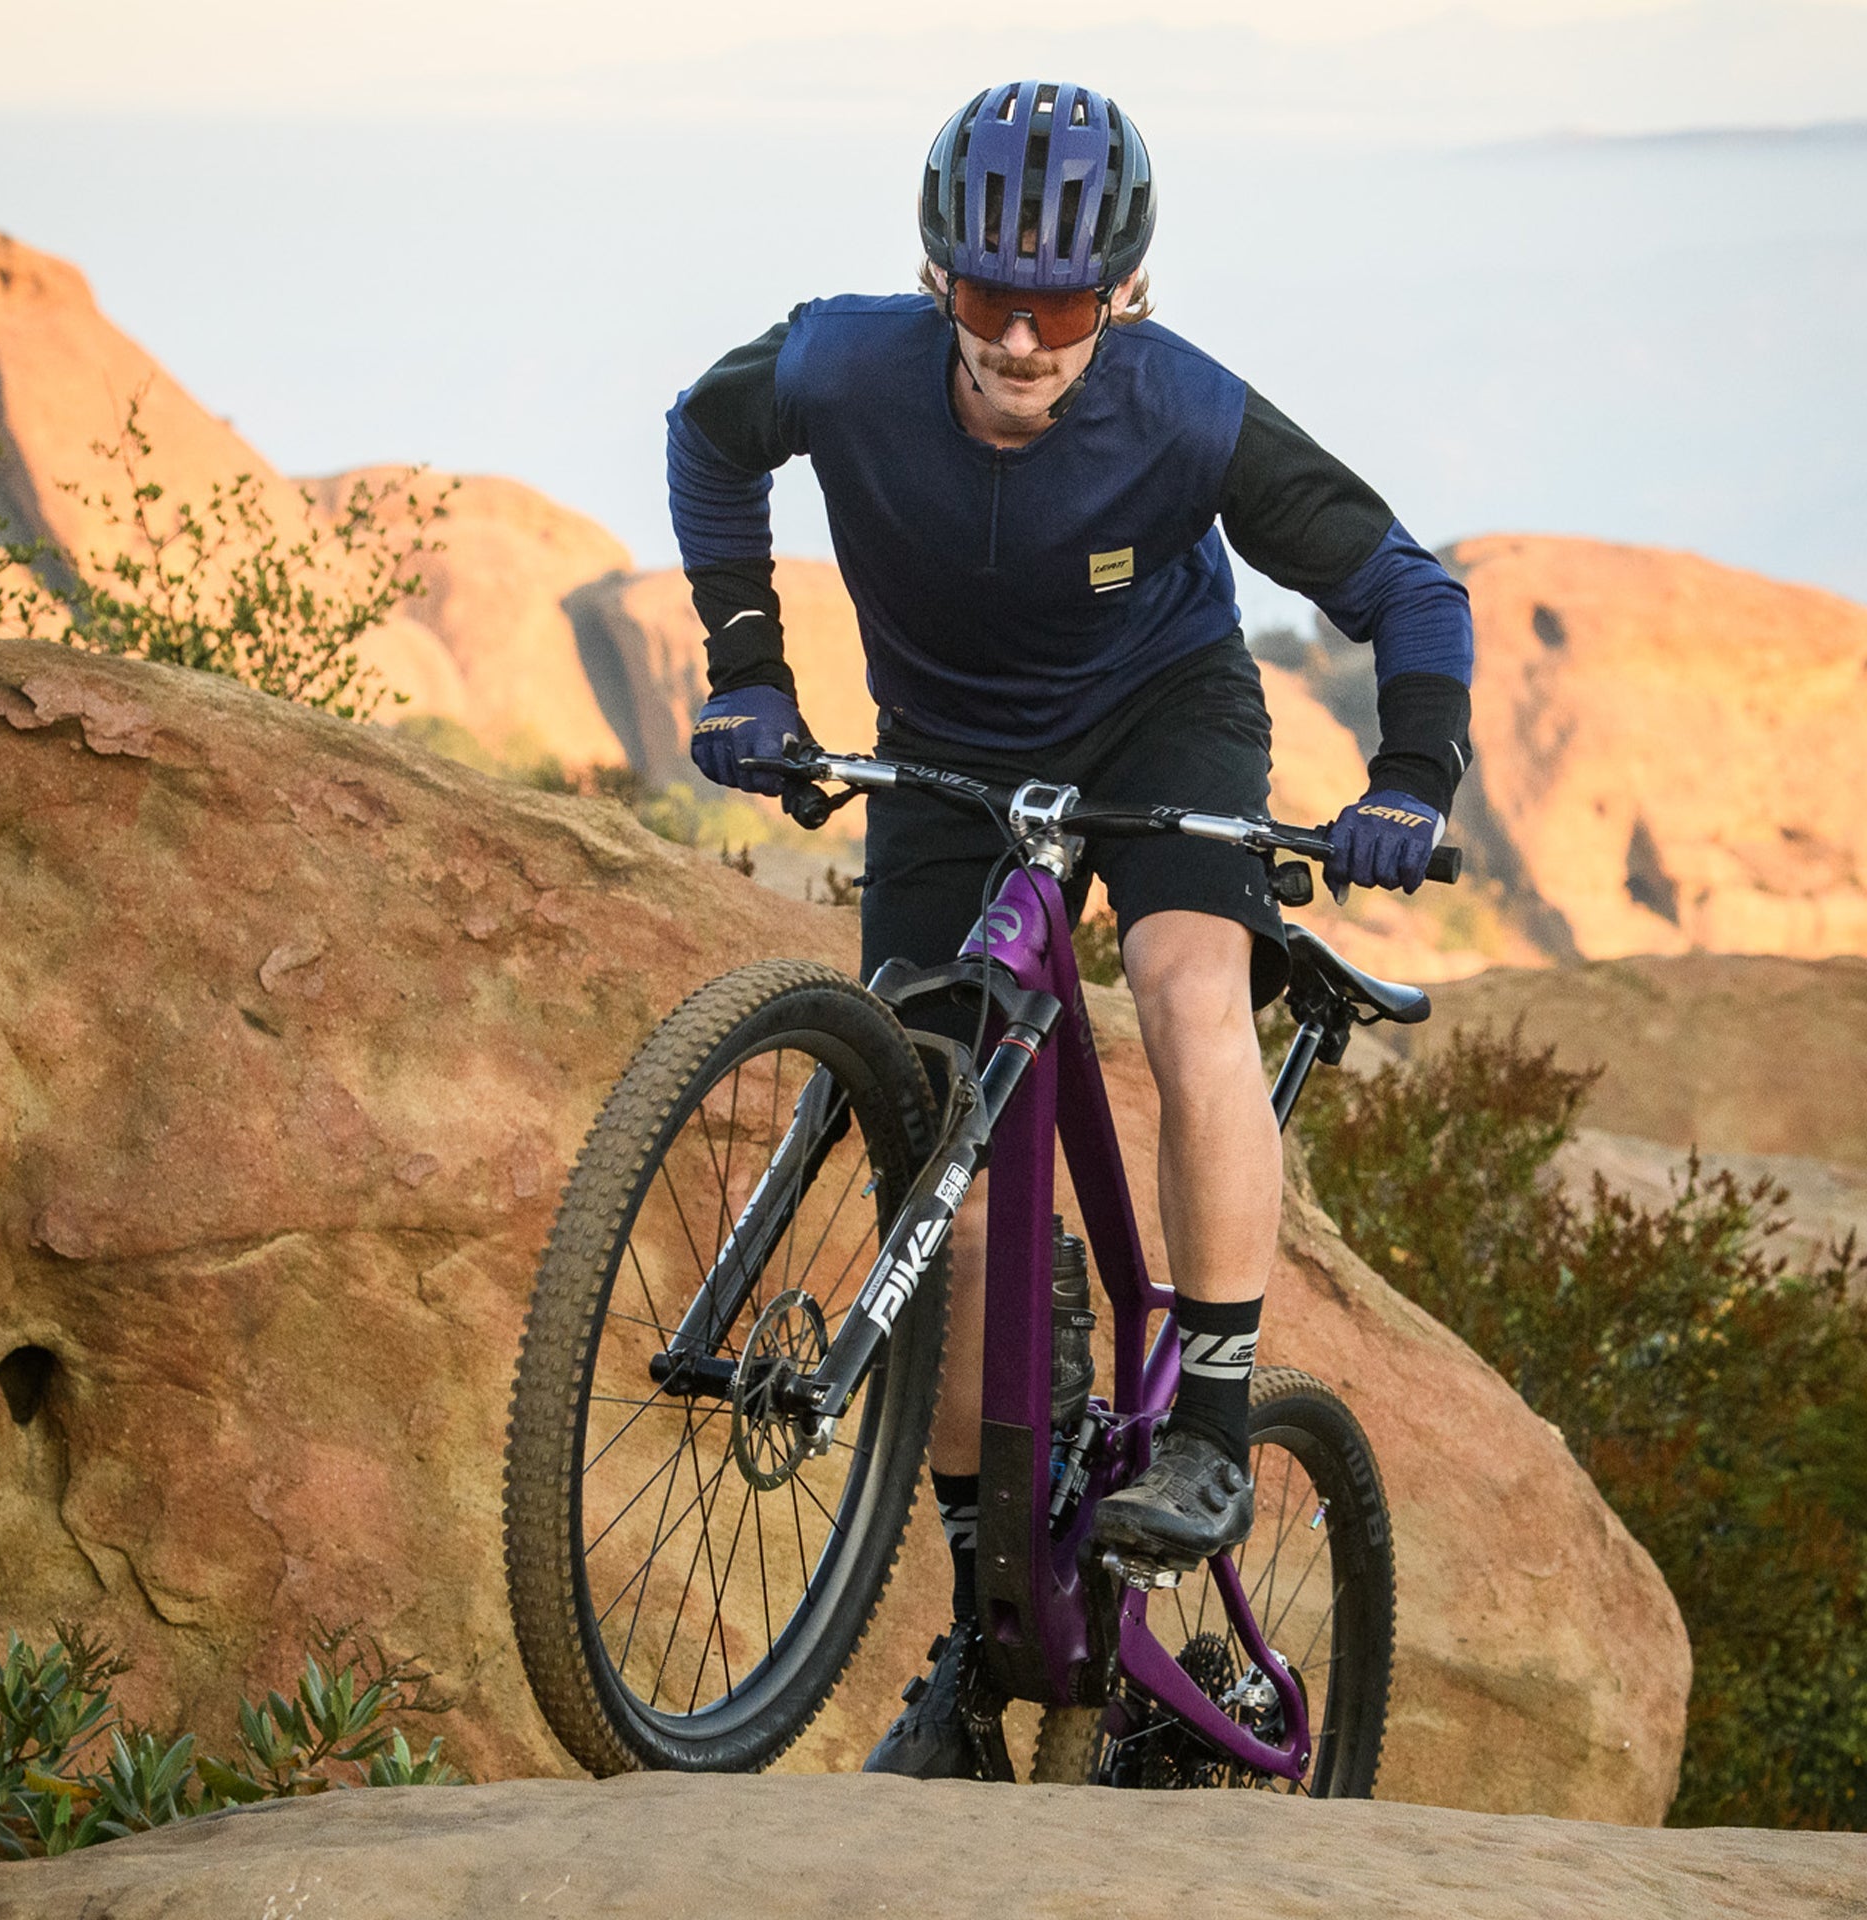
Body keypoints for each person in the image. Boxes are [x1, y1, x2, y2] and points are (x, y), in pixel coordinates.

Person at [665, 78, 1473, 1780]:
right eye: (987, 296)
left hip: (1163, 722)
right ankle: (982, 1643)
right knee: (946, 1179)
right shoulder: (841, 365)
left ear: (1126, 295)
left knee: (1186, 991)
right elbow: (707, 434)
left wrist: (1410, 776)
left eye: (1065, 306)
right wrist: (748, 666)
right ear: (935, 278)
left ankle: (1216, 1424)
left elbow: (1407, 585)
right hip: (951, 760)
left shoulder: (1182, 409)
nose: (1023, 340)